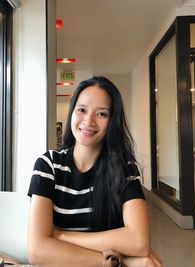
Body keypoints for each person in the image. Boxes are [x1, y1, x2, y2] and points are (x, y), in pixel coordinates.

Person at [27, 76, 163, 267]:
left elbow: (139, 241)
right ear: (72, 113)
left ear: (112, 120)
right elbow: (38, 251)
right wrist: (120, 262)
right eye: (82, 109)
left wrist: (61, 236)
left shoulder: (124, 168)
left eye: (101, 114)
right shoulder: (48, 165)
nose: (88, 121)